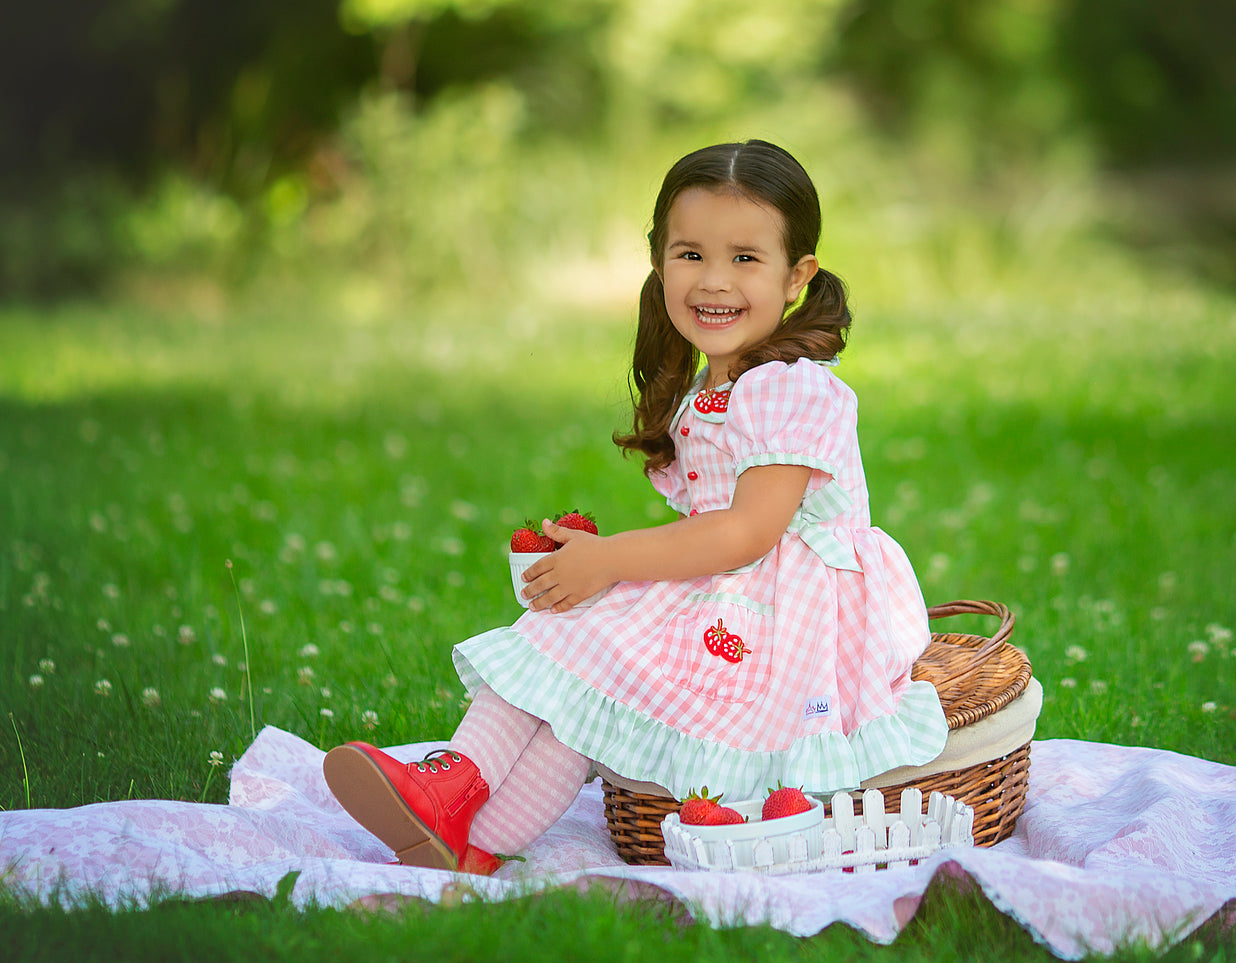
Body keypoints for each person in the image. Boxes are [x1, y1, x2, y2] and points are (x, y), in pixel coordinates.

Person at [323, 140, 949, 873]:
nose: (713, 280)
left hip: (789, 620)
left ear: (796, 276)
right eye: (690, 254)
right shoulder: (711, 390)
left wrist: (612, 559)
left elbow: (748, 532)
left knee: (579, 645)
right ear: (658, 261)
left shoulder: (788, 385)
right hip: (734, 592)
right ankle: (472, 847)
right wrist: (597, 558)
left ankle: (451, 783)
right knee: (587, 695)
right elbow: (709, 532)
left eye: (745, 258)